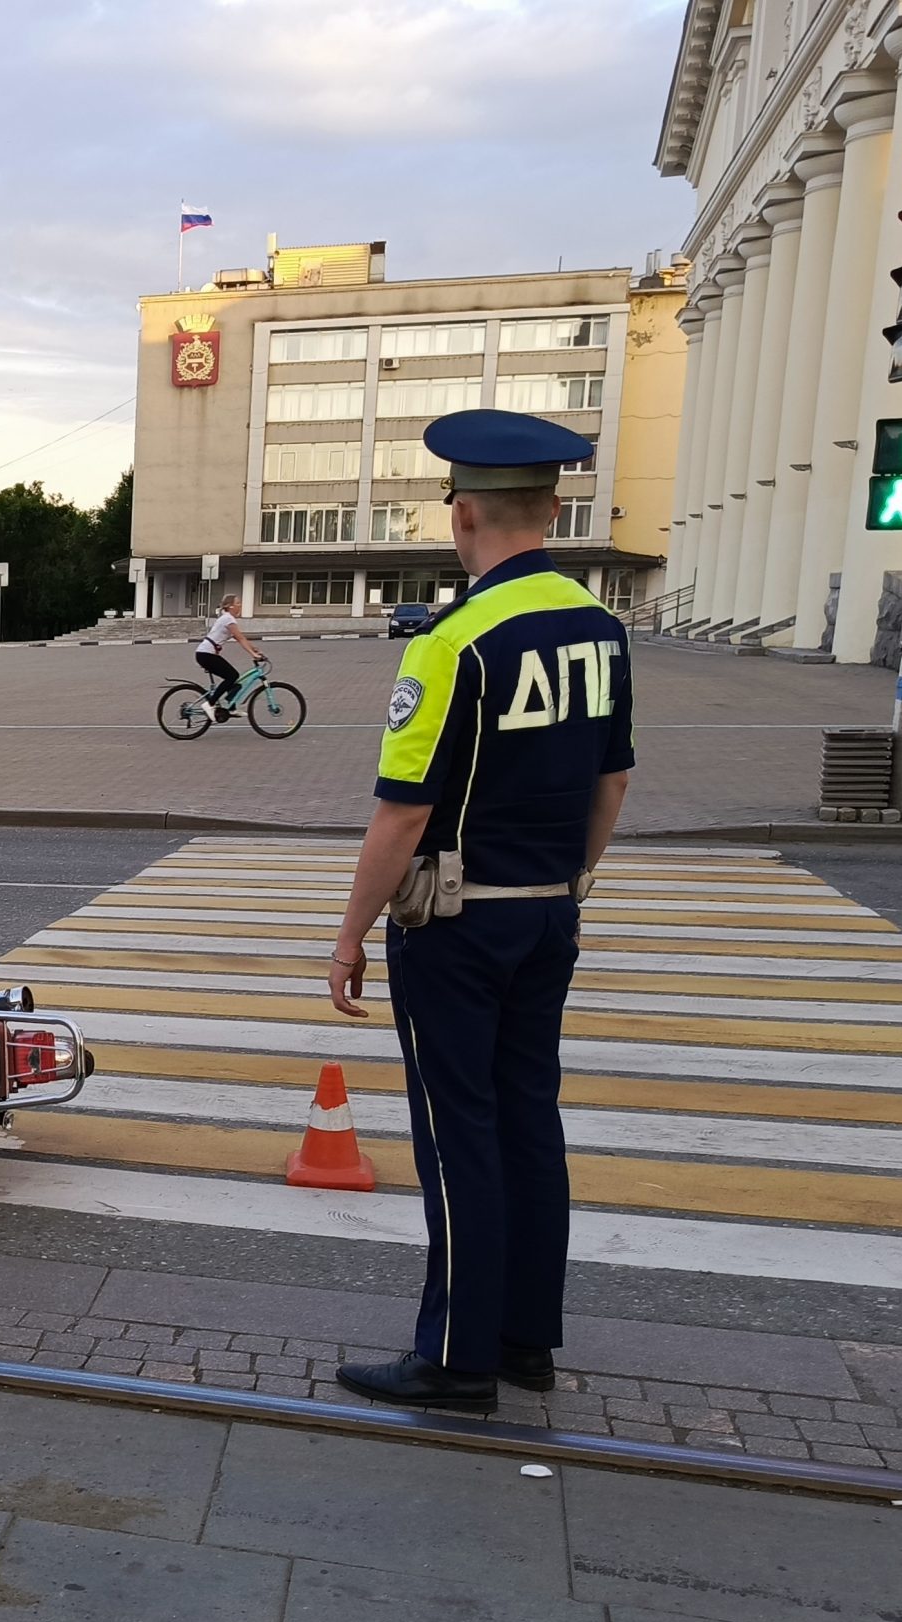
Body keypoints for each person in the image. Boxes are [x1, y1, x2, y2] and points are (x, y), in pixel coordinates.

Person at [322, 408, 634, 1413]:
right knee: (526, 1123)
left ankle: (455, 1359)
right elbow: (613, 785)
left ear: (463, 517)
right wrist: (567, 885)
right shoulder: (602, 631)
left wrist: (350, 933)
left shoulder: (453, 641)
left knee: (457, 1135)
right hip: (549, 914)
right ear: (550, 511)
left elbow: (403, 811)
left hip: (456, 927)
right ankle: (525, 1342)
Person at [195, 593, 263, 720]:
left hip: (206, 654)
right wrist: (253, 654)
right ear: (230, 606)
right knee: (232, 676)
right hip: (206, 655)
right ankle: (210, 704)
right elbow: (240, 638)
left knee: (235, 682)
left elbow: (241, 638)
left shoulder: (227, 618)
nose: (240, 605)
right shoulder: (228, 619)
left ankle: (231, 708)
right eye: (238, 603)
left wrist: (254, 649)